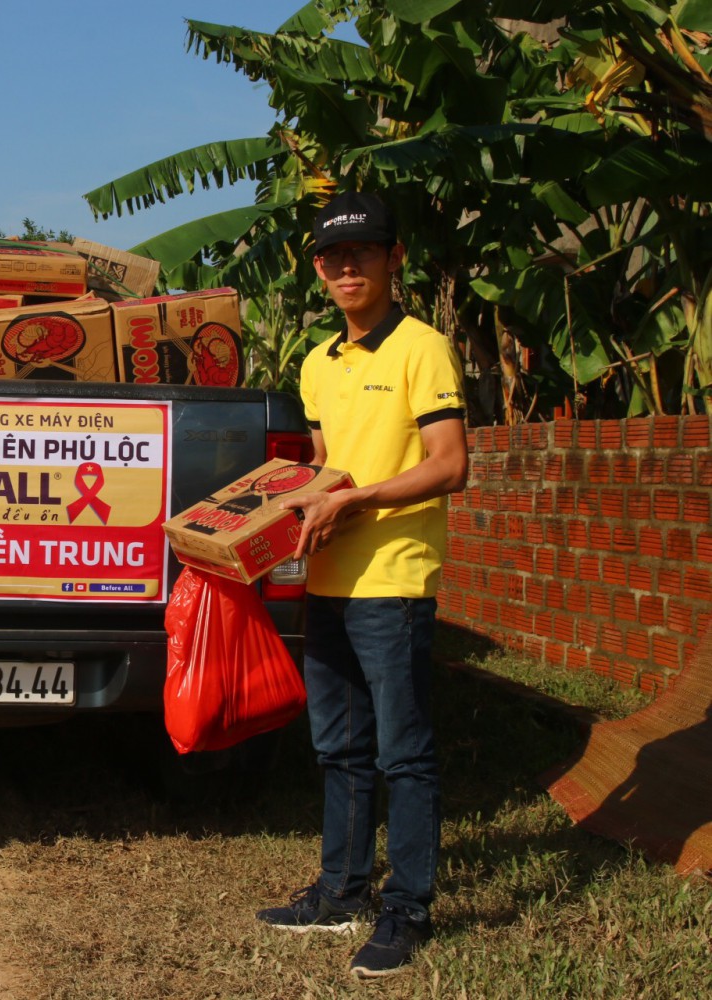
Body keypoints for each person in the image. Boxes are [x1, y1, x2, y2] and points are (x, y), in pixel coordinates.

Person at [255, 190, 468, 978]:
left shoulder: (423, 347)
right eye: (332, 256)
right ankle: (341, 890)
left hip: (394, 578)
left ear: (393, 259)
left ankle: (406, 907)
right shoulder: (318, 361)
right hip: (329, 578)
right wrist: (275, 505)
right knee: (339, 744)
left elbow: (451, 465)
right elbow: (322, 469)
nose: (347, 266)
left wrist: (356, 499)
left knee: (403, 751)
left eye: (363, 252)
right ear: (318, 268)